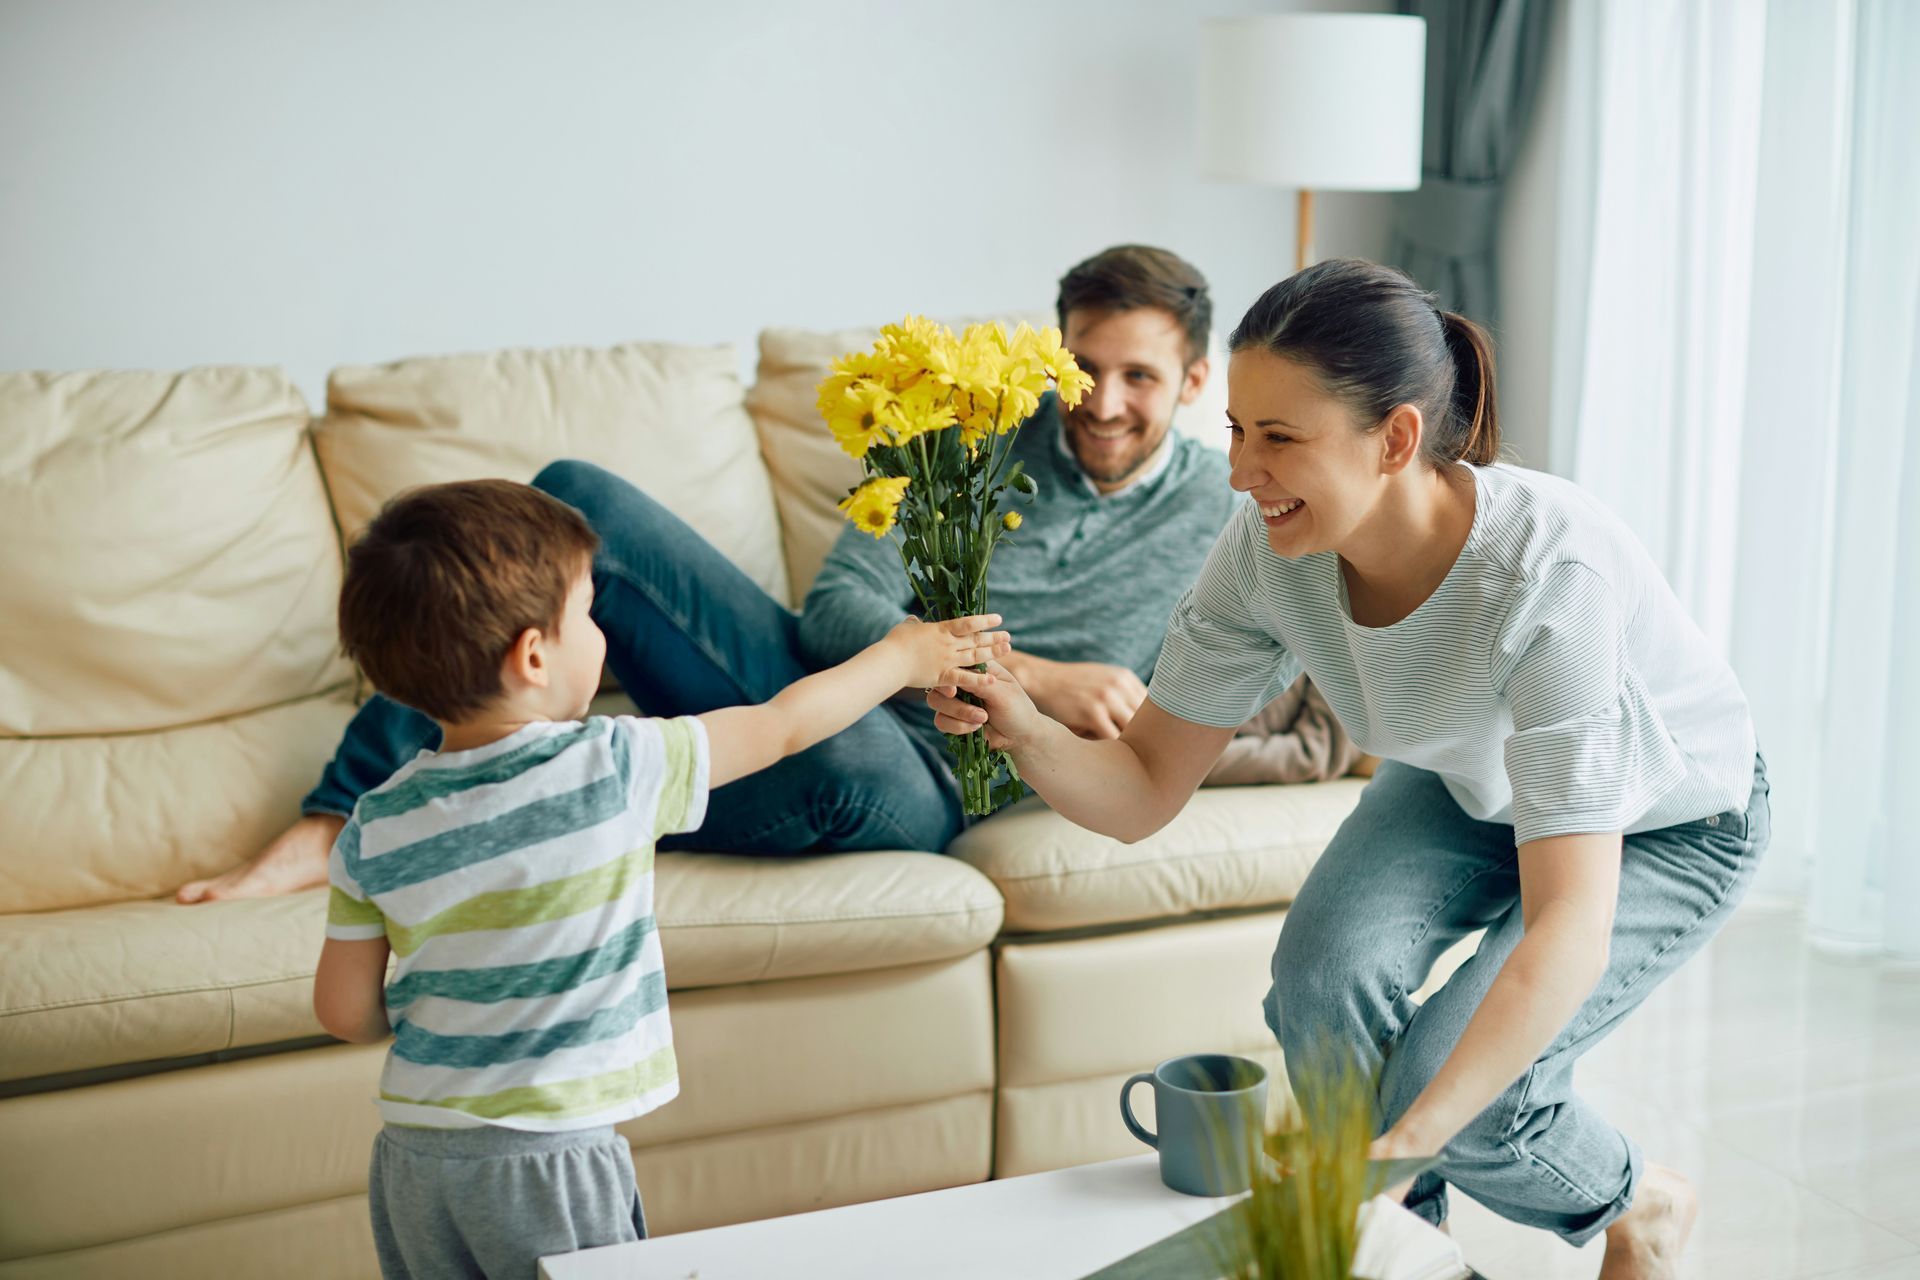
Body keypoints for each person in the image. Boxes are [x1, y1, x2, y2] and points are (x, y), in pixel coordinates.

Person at [929, 259, 1768, 1280]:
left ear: (1397, 438)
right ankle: (1411, 1250)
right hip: (1470, 773)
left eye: (1280, 439)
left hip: (1669, 814)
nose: (1242, 471)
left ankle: (1643, 1200)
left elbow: (1569, 922)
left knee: (1461, 1093)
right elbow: (1144, 784)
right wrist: (1020, 723)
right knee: (1322, 982)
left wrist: (1415, 1133)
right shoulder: (1264, 552)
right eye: (1238, 430)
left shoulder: (1550, 575)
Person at [177, 244, 1254, 904]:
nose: (1101, 401)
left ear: (1196, 380)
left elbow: (1225, 692)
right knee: (570, 495)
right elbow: (836, 605)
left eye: (1140, 377)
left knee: (856, 762)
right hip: (815, 685)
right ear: (1056, 348)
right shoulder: (965, 438)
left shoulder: (1230, 516)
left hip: (916, 785)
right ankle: (339, 815)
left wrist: (1024, 706)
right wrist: (1037, 671)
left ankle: (504, 801)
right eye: (1085, 365)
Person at [311, 478, 1007, 1278]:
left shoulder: (373, 822)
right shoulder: (610, 766)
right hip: (551, 1158)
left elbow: (343, 1011)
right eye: (586, 613)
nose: (601, 631)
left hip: (411, 1159)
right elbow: (782, 727)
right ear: (533, 654)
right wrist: (897, 656)